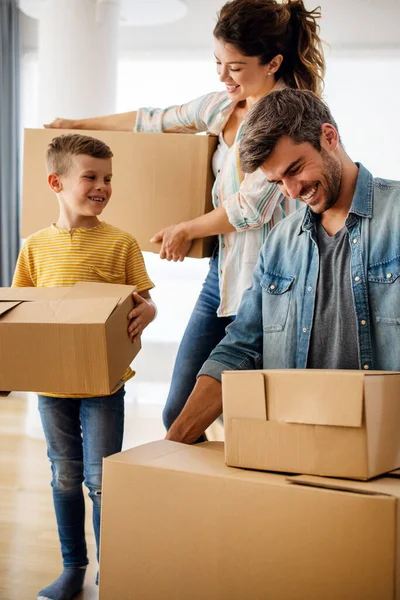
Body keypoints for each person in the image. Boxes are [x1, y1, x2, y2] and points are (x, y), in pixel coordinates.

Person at [46, 0, 325, 441]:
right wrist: (77, 123)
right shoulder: (221, 105)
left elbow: (251, 207)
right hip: (225, 273)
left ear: (273, 62)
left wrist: (186, 229)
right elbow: (153, 120)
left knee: (263, 417)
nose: (222, 76)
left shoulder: (292, 117)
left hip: (279, 280)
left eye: (235, 67)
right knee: (177, 411)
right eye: (217, 62)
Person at [163, 88, 400, 445]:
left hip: (386, 448)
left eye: (295, 169)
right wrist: (174, 442)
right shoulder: (280, 241)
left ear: (329, 137)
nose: (290, 192)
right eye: (276, 182)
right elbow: (241, 347)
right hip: (296, 447)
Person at [13, 134, 156, 600]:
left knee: (101, 481)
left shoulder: (121, 243)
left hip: (103, 384)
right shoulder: (34, 248)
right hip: (52, 386)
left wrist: (148, 312)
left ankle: (108, 572)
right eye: (90, 177)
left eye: (108, 178)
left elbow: (143, 302)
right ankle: (72, 567)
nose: (102, 186)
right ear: (56, 182)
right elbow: (23, 312)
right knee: (64, 475)